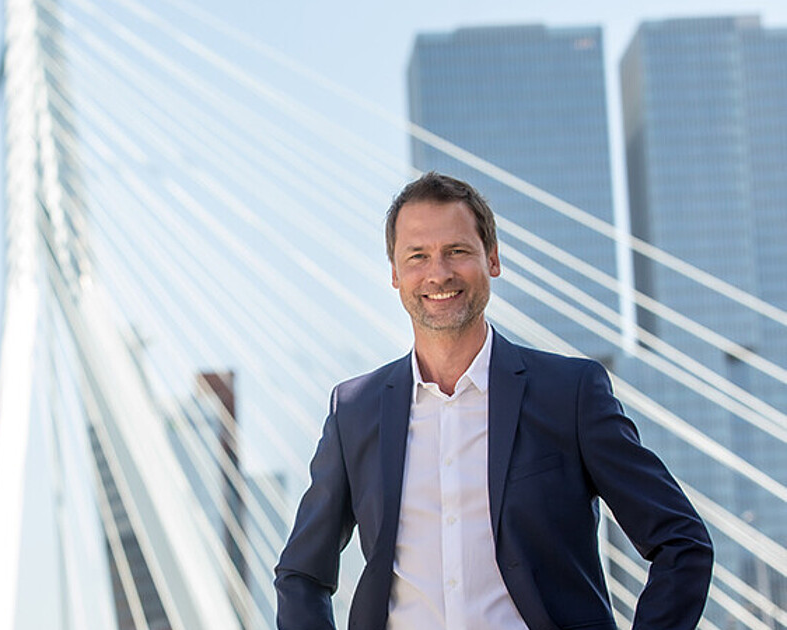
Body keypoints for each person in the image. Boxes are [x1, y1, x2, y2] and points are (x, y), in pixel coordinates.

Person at [274, 172, 712, 630]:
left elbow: (682, 542)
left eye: (457, 251)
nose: (438, 273)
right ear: (395, 274)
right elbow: (301, 573)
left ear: (493, 259)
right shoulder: (355, 411)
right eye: (418, 256)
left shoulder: (570, 394)